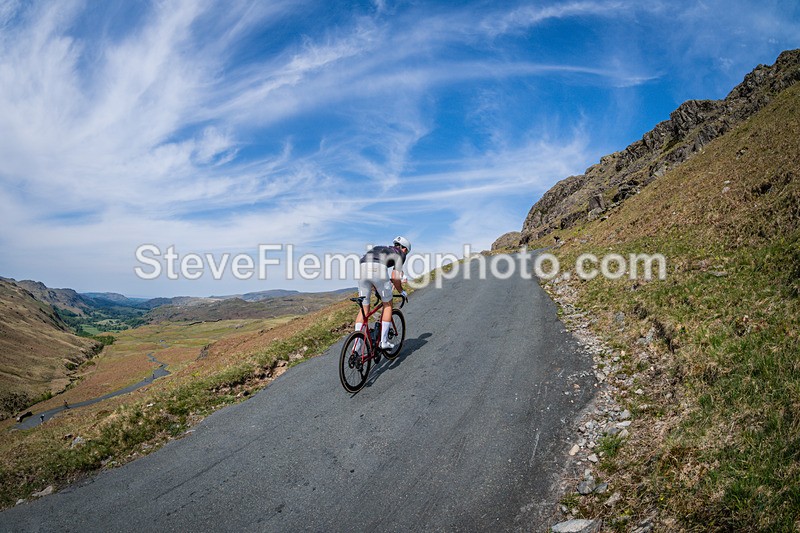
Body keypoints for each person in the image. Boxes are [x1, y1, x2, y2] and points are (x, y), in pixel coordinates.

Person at [355, 236, 410, 353]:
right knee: (388, 305)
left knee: (364, 308)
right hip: (377, 268)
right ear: (405, 249)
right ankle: (383, 342)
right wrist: (402, 291)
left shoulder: (384, 248)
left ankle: (356, 345)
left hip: (362, 266)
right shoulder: (401, 254)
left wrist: (377, 289)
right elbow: (395, 277)